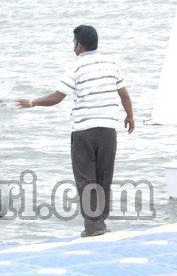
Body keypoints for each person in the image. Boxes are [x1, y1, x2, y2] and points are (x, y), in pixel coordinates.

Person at [17, 24, 135, 237]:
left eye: (74, 42)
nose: (73, 46)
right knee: (104, 178)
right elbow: (124, 94)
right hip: (108, 130)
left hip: (84, 131)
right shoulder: (112, 64)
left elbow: (57, 97)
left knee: (86, 179)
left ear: (80, 45)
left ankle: (93, 226)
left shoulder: (76, 67)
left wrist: (32, 102)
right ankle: (101, 222)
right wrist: (130, 116)